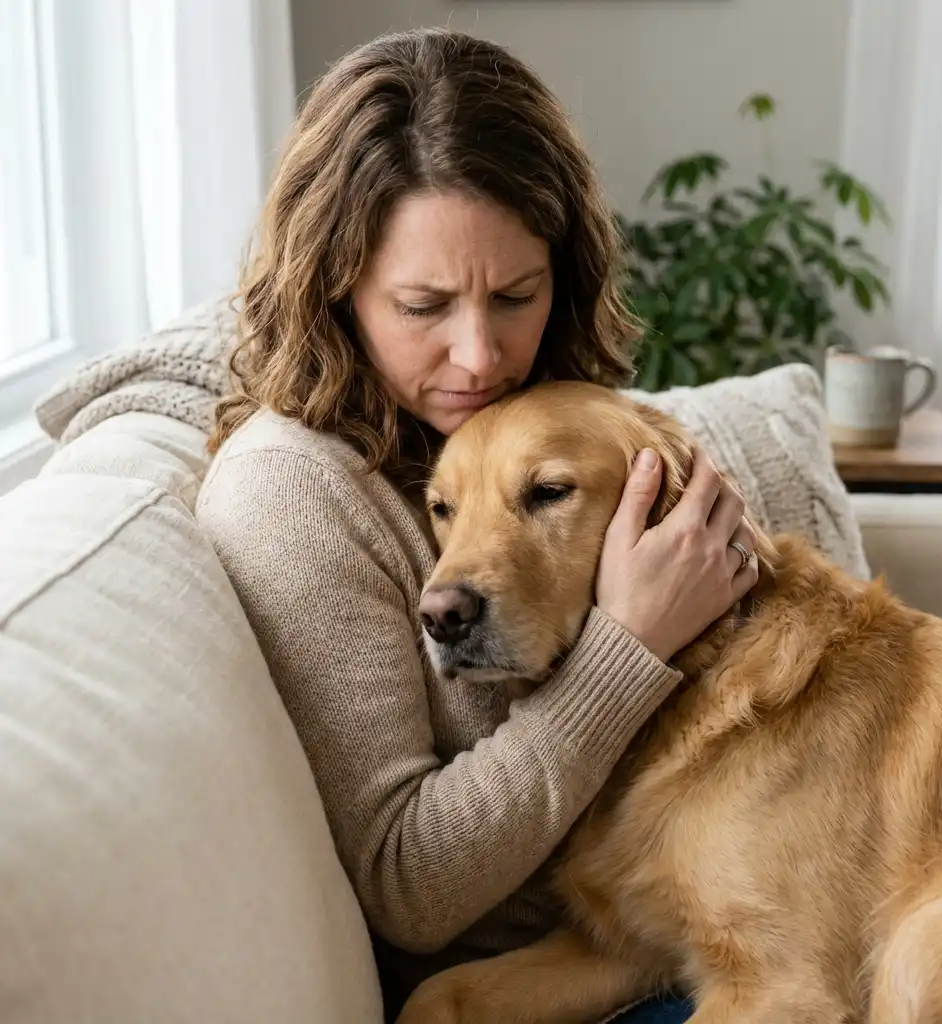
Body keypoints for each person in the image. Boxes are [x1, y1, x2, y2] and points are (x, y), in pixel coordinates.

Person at [196, 27, 758, 1024]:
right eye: (423, 304)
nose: (479, 353)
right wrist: (626, 650)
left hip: (718, 908)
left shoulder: (543, 411)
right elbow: (408, 884)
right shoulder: (289, 495)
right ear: (336, 286)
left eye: (515, 295)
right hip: (573, 983)